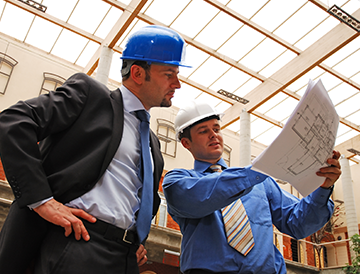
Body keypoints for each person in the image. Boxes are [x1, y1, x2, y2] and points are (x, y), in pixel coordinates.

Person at [0, 25, 189, 274]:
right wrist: (41, 200)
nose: (177, 84)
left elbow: (142, 198)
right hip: (78, 243)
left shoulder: (153, 144)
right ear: (138, 73)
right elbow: (13, 123)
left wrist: (135, 238)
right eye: (169, 74)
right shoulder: (91, 95)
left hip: (125, 258)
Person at [162, 101, 342, 274]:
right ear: (186, 143)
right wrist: (263, 167)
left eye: (216, 129)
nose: (213, 135)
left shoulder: (261, 182)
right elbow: (209, 193)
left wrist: (324, 188)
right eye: (203, 131)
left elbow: (298, 224)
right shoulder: (177, 181)